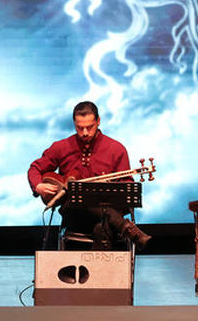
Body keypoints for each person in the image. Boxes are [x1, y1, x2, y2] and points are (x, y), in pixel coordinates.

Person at [27, 101, 150, 250]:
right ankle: (127, 228)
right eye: (80, 128)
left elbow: (127, 189)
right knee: (78, 196)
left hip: (107, 215)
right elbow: (35, 168)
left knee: (102, 228)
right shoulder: (61, 147)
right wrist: (38, 186)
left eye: (90, 127)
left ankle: (95, 261)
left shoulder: (116, 149)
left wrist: (108, 190)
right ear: (74, 124)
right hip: (74, 215)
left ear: (98, 121)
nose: (85, 132)